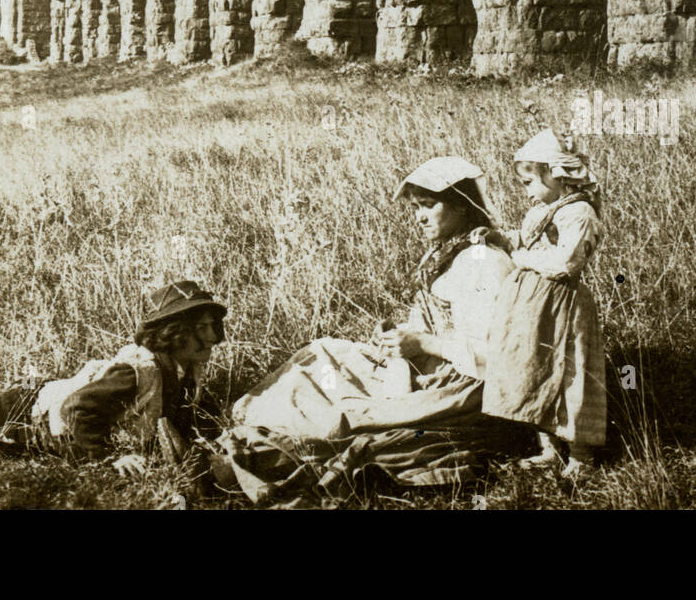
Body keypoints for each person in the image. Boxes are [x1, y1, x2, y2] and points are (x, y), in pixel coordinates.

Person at [213, 156, 520, 503]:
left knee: (346, 419)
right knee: (322, 352)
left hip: (460, 389)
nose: (418, 217)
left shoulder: (485, 263)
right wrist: (399, 336)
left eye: (428, 205)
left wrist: (422, 342)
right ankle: (247, 425)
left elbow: (497, 358)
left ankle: (251, 451)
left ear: (463, 208)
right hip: (426, 367)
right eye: (415, 207)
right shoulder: (449, 252)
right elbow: (436, 321)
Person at [0, 282, 227, 475]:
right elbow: (81, 409)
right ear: (173, 333)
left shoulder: (180, 371)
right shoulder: (137, 371)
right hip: (20, 417)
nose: (212, 337)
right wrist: (110, 458)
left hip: (35, 408)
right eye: (202, 328)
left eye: (214, 327)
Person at [483, 127, 606, 479]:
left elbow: (566, 263)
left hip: (563, 303)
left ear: (557, 174)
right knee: (535, 366)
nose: (528, 192)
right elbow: (525, 241)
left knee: (570, 372)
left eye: (530, 182)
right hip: (532, 304)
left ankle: (581, 455)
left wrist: (521, 258)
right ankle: (548, 448)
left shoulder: (578, 213)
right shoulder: (541, 211)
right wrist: (501, 238)